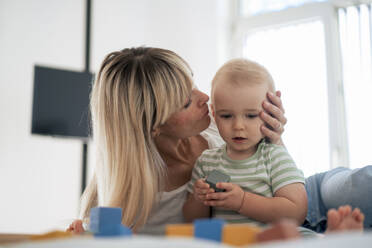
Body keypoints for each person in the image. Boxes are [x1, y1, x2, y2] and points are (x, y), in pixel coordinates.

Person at [67, 47, 366, 239]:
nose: (205, 99)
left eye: (194, 83)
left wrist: (274, 135)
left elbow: (281, 173)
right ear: (154, 127)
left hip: (290, 194)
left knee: (360, 185)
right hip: (246, 228)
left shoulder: (216, 123)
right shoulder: (132, 197)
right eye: (186, 101)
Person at [183, 58, 307, 227]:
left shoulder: (274, 156)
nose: (238, 126)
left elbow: (297, 212)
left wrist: (243, 201)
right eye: (226, 116)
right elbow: (192, 222)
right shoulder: (206, 162)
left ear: (270, 112)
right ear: (214, 112)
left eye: (251, 116)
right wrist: (199, 199)